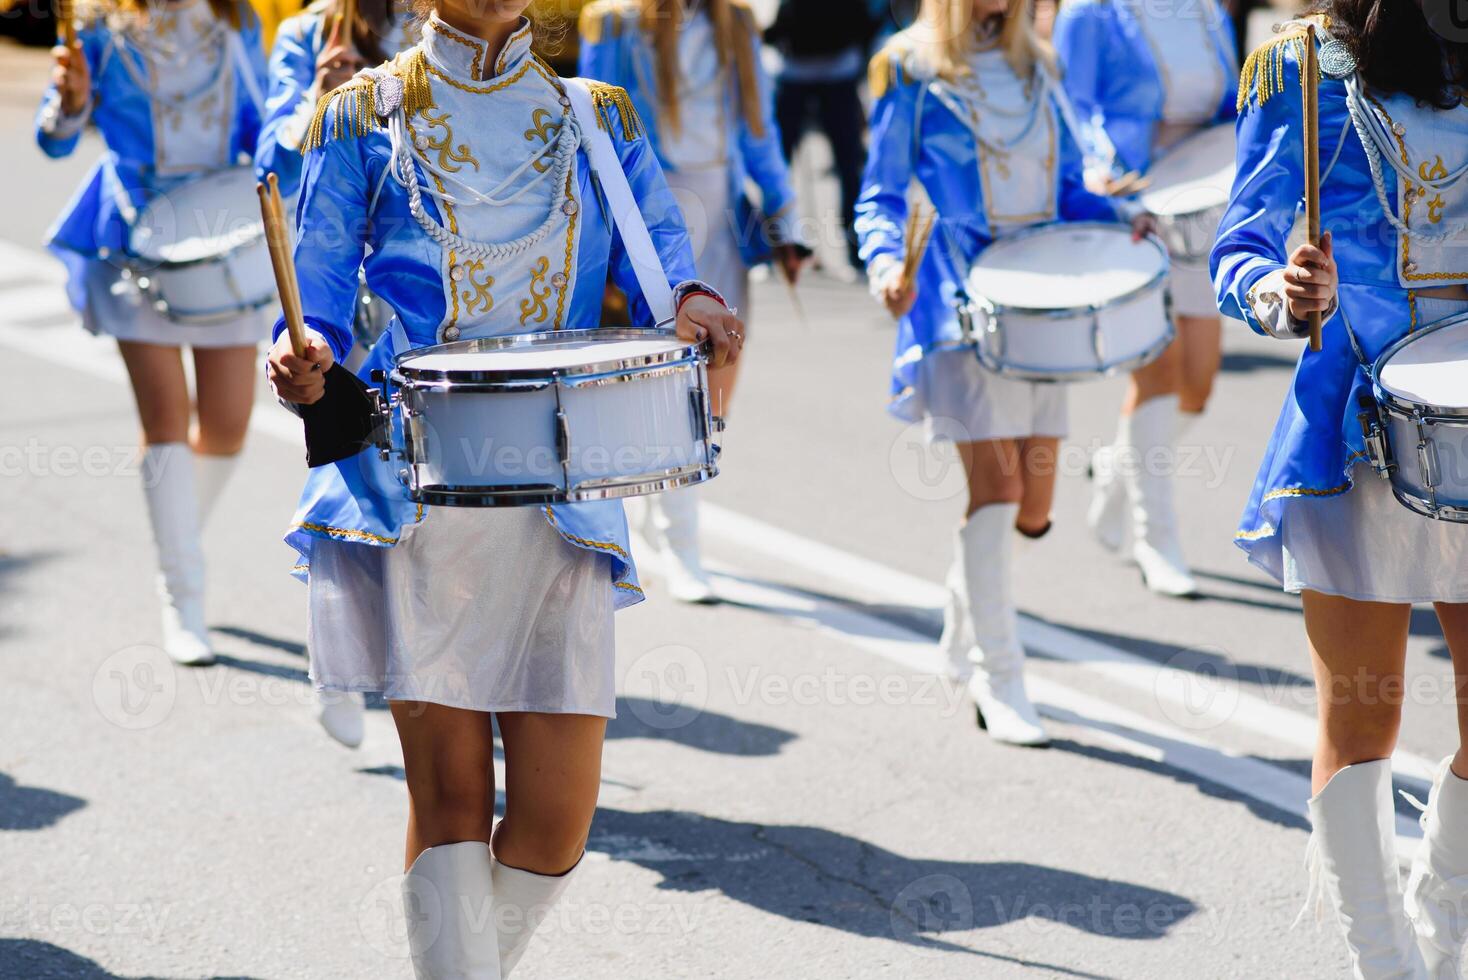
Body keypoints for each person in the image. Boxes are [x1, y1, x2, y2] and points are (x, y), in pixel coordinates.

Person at [264, 1, 742, 974]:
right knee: (447, 802)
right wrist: (302, 347)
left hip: (564, 495)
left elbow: (659, 260)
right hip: (416, 485)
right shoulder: (358, 113)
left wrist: (691, 301)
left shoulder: (595, 113)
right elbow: (315, 285)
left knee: (557, 825)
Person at [1213, 6, 1468, 974]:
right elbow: (1237, 246)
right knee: (1363, 716)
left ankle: (1442, 923)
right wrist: (1282, 293)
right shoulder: (1304, 71)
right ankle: (1386, 960)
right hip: (1358, 431)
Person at [856, 0, 1153, 747]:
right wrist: (887, 265)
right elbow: (881, 193)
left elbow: (1070, 190)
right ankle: (1002, 677)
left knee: (1035, 506)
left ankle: (962, 629)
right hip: (960, 302)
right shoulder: (909, 66)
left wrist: (1128, 217)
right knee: (1000, 490)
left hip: (1043, 297)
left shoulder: (1038, 62)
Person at [37, 0, 269, 666]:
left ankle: (176, 541)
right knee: (167, 417)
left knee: (227, 425)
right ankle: (182, 595)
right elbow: (54, 141)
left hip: (224, 238)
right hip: (135, 242)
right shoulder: (97, 29)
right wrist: (70, 99)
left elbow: (260, 123)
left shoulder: (237, 19)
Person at [578, 0, 803, 604]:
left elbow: (759, 131)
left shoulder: (736, 23)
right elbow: (598, 141)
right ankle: (678, 545)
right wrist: (601, 244)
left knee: (712, 385)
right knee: (665, 385)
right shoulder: (615, 24)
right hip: (651, 215)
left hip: (721, 214)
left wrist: (787, 222)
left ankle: (670, 523)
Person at [256, 0, 418, 747]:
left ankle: (424, 652)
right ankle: (339, 655)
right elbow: (268, 167)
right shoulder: (307, 32)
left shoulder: (444, 28)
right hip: (326, 288)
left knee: (421, 482)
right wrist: (318, 105)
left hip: (413, 300)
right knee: (346, 466)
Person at [1053, 0, 1238, 597]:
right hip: (1132, 211)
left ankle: (1115, 467)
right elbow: (1068, 108)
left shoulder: (1207, 9)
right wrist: (1097, 176)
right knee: (1158, 372)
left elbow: (1231, 106)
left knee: (1198, 385)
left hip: (1202, 206)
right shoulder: (1089, 14)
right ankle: (1155, 539)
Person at [764, 0, 880, 277]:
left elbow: (866, 22)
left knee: (848, 165)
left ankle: (856, 251)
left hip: (838, 73)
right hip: (793, 73)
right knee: (774, 166)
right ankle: (774, 248)